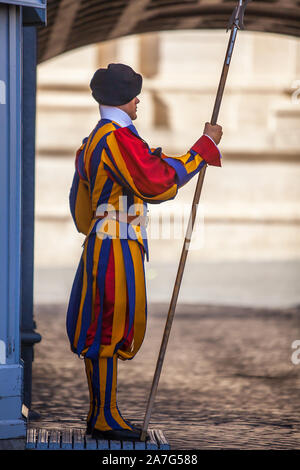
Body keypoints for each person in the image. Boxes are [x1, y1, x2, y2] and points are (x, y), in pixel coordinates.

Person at [66, 63, 223, 441]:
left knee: (103, 326)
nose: (139, 101)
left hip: (103, 243)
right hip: (116, 247)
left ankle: (103, 413)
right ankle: (104, 417)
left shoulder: (92, 142)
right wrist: (203, 149)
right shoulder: (116, 139)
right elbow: (157, 180)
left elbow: (79, 205)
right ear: (124, 98)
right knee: (107, 328)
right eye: (135, 94)